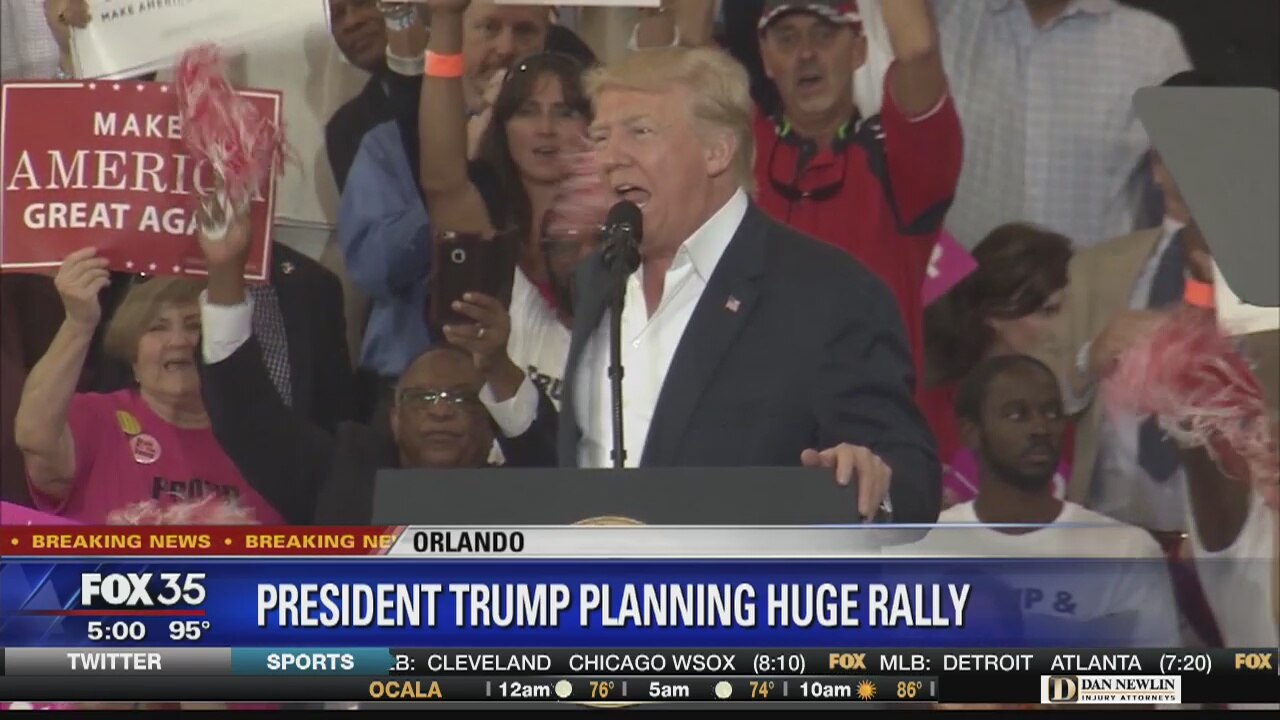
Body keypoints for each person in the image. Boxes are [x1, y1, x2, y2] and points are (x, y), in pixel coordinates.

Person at [481, 46, 940, 522]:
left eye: (640, 131)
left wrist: (871, 482)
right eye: (601, 137)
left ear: (717, 150)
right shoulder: (598, 277)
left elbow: (912, 483)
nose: (611, 158)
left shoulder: (828, 295)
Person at [639, 0, 962, 448]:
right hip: (749, 448)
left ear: (859, 49)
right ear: (765, 58)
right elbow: (691, 45)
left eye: (824, 35)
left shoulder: (900, 160)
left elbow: (919, 50)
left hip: (869, 444)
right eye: (787, 38)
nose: (806, 53)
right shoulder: (737, 150)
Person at [198, 214, 557, 525]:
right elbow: (248, 419)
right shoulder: (344, 476)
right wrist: (226, 272)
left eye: (459, 399)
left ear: (490, 425)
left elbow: (551, 463)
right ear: (395, 419)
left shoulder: (519, 494)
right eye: (422, 398)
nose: (441, 411)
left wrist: (497, 365)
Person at [338, 0, 559, 412]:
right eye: (489, 28)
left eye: (525, 32)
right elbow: (374, 268)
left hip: (536, 391)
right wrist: (452, 183)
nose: (506, 48)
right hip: (412, 396)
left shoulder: (564, 147)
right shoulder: (387, 145)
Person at [1042, 74, 1221, 533]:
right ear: (1156, 164)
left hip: (1230, 537)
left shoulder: (1266, 276)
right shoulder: (1094, 268)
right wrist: (1089, 359)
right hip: (1107, 528)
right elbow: (1038, 390)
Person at [916, 355, 1181, 648]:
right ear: (971, 433)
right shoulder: (921, 549)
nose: (1040, 428)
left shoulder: (1127, 551)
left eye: (1052, 413)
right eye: (1017, 415)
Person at [13, 250, 283, 525]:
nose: (177, 341)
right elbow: (34, 438)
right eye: (157, 328)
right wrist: (79, 323)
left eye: (194, 326)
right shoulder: (97, 418)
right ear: (134, 360)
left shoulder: (266, 443)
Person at [419, 1, 598, 410]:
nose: (546, 130)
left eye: (565, 113)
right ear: (502, 127)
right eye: (527, 112)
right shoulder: (486, 227)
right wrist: (445, 21)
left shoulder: (620, 231)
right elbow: (442, 179)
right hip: (498, 440)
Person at [934, 0, 1191, 249]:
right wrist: (943, 273)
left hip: (1102, 277)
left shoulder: (1153, 47)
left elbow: (1190, 199)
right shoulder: (941, 25)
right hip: (962, 275)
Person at [923, 223, 1074, 506]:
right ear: (993, 312)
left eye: (1067, 310)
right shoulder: (926, 406)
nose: (1063, 329)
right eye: (1047, 311)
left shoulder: (1060, 413)